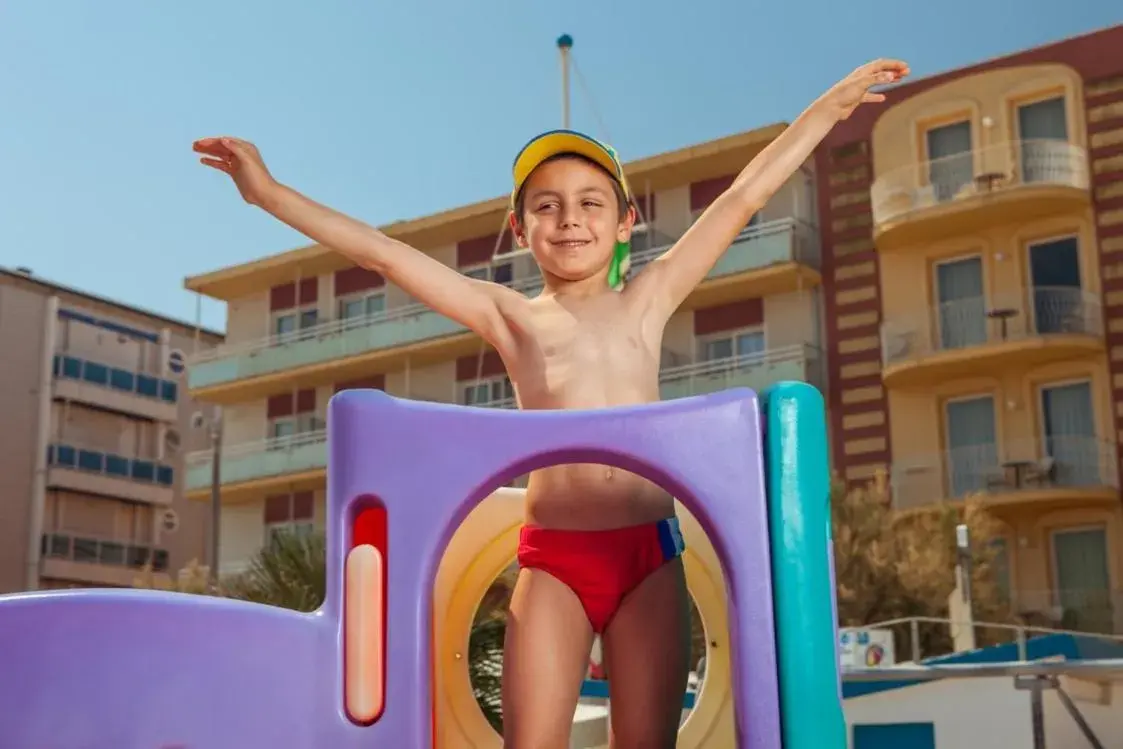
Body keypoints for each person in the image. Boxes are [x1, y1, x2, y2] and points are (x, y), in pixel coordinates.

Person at [193, 57, 908, 749]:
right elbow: (383, 254)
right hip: (552, 559)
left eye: (590, 203)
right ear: (519, 228)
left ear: (625, 220)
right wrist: (269, 193)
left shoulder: (646, 300)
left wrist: (827, 109)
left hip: (648, 556)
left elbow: (741, 198)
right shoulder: (510, 316)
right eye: (547, 205)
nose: (569, 219)